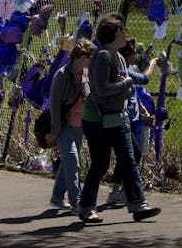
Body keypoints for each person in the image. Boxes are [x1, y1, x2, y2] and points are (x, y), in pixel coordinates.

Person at [77, 14, 160, 223]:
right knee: (100, 163)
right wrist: (125, 84)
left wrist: (132, 80)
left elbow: (132, 79)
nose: (125, 33)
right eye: (122, 30)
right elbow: (102, 89)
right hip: (97, 119)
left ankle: (138, 204)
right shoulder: (103, 56)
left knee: (129, 160)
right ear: (114, 34)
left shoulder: (119, 57)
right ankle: (86, 207)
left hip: (116, 117)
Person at [104, 38, 157, 208]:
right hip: (123, 119)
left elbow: (133, 93)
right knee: (133, 154)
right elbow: (145, 79)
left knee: (128, 155)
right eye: (134, 53)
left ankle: (117, 190)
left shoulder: (125, 70)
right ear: (127, 55)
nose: (136, 56)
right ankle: (131, 194)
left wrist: (141, 110)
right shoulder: (124, 71)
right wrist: (154, 63)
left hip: (133, 119)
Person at [46, 38, 96, 211]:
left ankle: (57, 196)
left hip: (79, 124)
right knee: (73, 161)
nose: (92, 61)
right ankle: (77, 201)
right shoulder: (61, 75)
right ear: (82, 56)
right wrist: (54, 130)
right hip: (63, 125)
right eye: (91, 57)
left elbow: (88, 95)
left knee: (69, 161)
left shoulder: (85, 73)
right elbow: (54, 104)